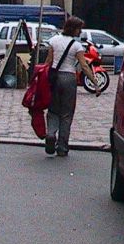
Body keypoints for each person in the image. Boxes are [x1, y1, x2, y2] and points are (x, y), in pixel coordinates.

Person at [42, 16, 101, 158]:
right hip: (69, 79)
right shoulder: (76, 46)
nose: (80, 32)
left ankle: (50, 134)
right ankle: (62, 146)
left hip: (54, 77)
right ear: (73, 29)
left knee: (53, 109)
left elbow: (48, 62)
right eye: (79, 29)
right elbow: (84, 66)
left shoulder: (54, 41)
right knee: (67, 114)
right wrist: (94, 83)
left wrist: (42, 78)